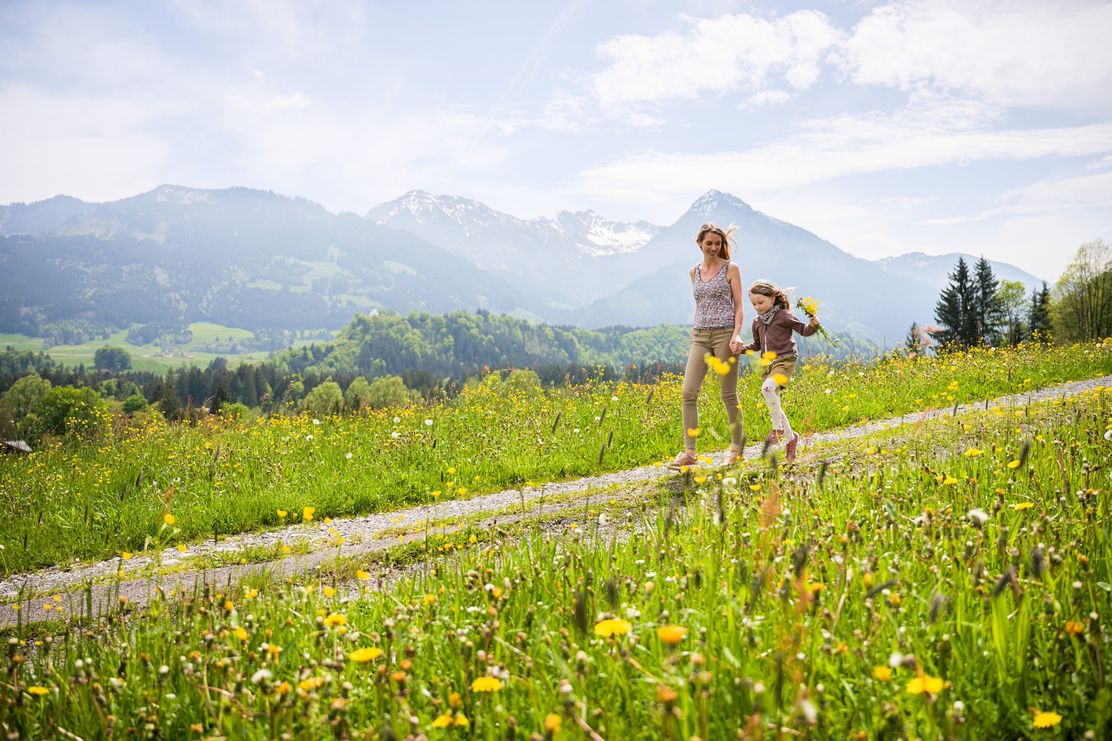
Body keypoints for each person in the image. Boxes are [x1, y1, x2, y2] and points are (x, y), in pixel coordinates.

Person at [670, 223, 745, 469]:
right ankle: (690, 453)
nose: (713, 247)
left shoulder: (730, 269)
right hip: (700, 336)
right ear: (699, 244)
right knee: (688, 392)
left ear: (722, 245)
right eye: (709, 243)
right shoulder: (694, 272)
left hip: (725, 335)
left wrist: (736, 335)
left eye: (717, 243)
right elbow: (700, 306)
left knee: (728, 394)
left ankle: (737, 448)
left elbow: (739, 306)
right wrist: (694, 335)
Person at [739, 279, 820, 463]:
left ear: (773, 298)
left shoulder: (783, 315)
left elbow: (803, 330)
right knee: (774, 401)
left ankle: (778, 429)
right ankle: (791, 439)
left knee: (767, 390)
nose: (757, 307)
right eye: (754, 304)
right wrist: (742, 349)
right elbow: (757, 345)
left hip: (785, 360)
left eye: (761, 303)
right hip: (768, 365)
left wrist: (814, 325)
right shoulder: (757, 322)